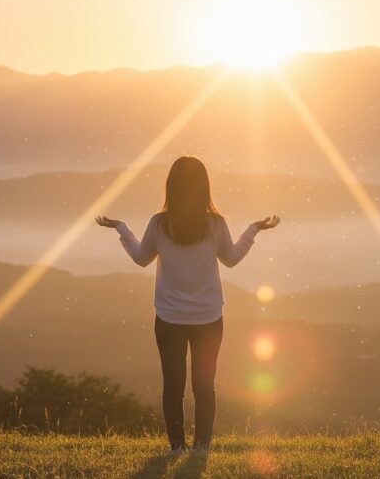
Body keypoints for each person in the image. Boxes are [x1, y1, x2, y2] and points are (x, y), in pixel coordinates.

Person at [96, 155, 280, 453]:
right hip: (208, 319)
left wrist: (122, 229)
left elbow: (141, 259)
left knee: (173, 388)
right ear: (204, 187)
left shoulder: (160, 223)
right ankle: (201, 449)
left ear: (171, 187)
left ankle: (177, 448)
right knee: (205, 387)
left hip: (169, 319)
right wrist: (253, 230)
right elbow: (231, 260)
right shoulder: (215, 224)